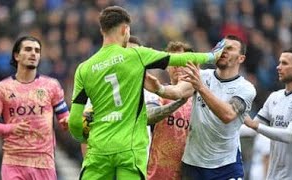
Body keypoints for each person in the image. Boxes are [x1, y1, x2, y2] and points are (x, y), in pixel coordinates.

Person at [68, 6, 226, 180]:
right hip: (129, 151)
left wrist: (82, 136)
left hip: (98, 150)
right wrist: (212, 56)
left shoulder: (84, 69)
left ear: (102, 30)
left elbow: (74, 122)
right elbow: (179, 59)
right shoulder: (136, 55)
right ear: (125, 30)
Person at [0, 36, 69, 180]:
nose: (33, 53)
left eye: (37, 51)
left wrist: (69, 122)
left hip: (44, 163)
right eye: (28, 49)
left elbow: (65, 118)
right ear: (16, 55)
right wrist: (11, 128)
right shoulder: (2, 88)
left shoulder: (52, 86)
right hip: (14, 162)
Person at [180, 35, 257, 180]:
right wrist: (158, 89)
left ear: (241, 58)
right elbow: (177, 91)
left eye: (230, 48)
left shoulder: (246, 88)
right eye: (221, 47)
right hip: (193, 163)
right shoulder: (201, 76)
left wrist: (201, 88)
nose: (224, 51)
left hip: (226, 166)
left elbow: (227, 115)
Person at [244, 46, 292, 179]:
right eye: (279, 62)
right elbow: (251, 127)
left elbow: (290, 135)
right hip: (273, 175)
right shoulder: (275, 97)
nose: (278, 67)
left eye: (284, 63)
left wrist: (255, 126)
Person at [147, 41, 194, 180]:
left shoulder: (203, 99)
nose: (178, 66)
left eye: (183, 61)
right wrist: (177, 102)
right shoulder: (157, 95)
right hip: (157, 175)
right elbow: (148, 116)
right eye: (174, 62)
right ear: (167, 67)